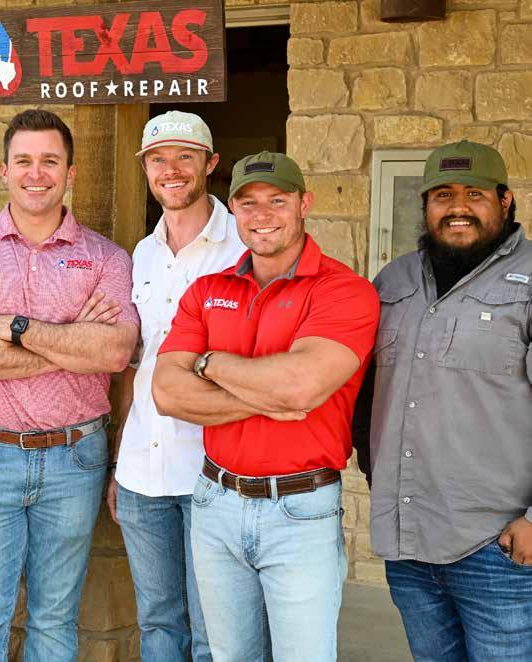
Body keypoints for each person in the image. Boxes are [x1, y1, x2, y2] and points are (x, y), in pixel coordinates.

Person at [0, 109, 139, 662]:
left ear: (71, 172)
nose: (36, 173)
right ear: (4, 170)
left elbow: (114, 352)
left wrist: (15, 330)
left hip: (76, 457)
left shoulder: (106, 258)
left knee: (55, 620)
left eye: (50, 161)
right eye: (23, 161)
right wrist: (71, 341)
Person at [152, 151, 379, 662]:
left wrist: (207, 363)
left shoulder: (345, 290)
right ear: (232, 208)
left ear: (304, 204)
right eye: (248, 202)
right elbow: (167, 392)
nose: (262, 215)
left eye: (277, 200)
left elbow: (300, 386)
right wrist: (265, 394)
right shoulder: (208, 290)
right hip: (215, 502)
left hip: (300, 509)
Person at [352, 140, 532, 661]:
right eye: (443, 195)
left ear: (504, 200)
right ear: (426, 204)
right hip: (409, 543)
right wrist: (377, 472)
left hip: (499, 546)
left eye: (474, 194)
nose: (458, 207)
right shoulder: (394, 281)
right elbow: (367, 394)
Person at [107, 111, 243, 662]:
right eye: (158, 159)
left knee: (215, 631)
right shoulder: (143, 253)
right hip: (143, 470)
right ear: (145, 169)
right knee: (159, 623)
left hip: (215, 471)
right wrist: (119, 460)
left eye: (186, 156)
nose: (172, 169)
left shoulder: (243, 247)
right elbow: (133, 367)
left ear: (210, 164)